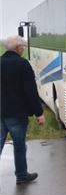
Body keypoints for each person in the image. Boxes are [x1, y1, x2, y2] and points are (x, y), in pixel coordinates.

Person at [0, 35, 45, 184]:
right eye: (23, 47)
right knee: (19, 145)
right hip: (17, 113)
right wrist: (39, 113)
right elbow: (30, 91)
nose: (24, 49)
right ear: (19, 48)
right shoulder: (22, 64)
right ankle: (21, 175)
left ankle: (22, 174)